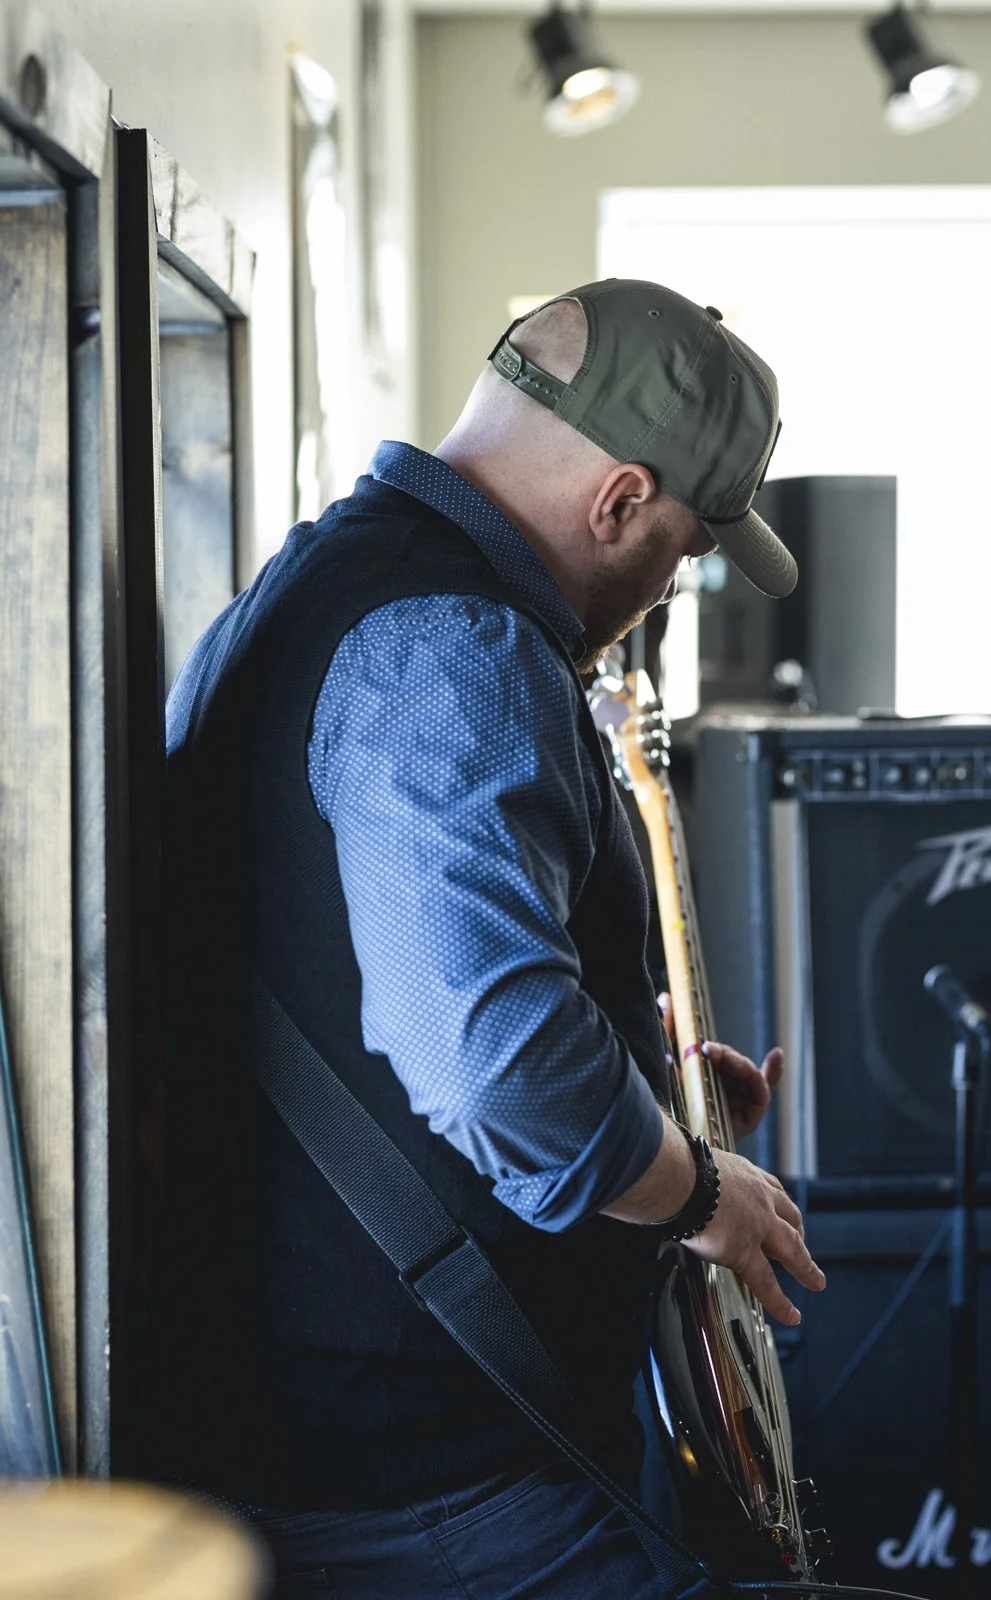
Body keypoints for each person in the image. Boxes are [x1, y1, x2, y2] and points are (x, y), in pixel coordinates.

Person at [154, 279, 824, 1599]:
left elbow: (373, 989)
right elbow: (497, 1072)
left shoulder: (323, 578)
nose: (659, 593)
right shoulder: (453, 645)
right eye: (679, 552)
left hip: (383, 1435)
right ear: (620, 499)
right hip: (427, 1482)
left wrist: (650, 1099)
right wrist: (693, 1187)